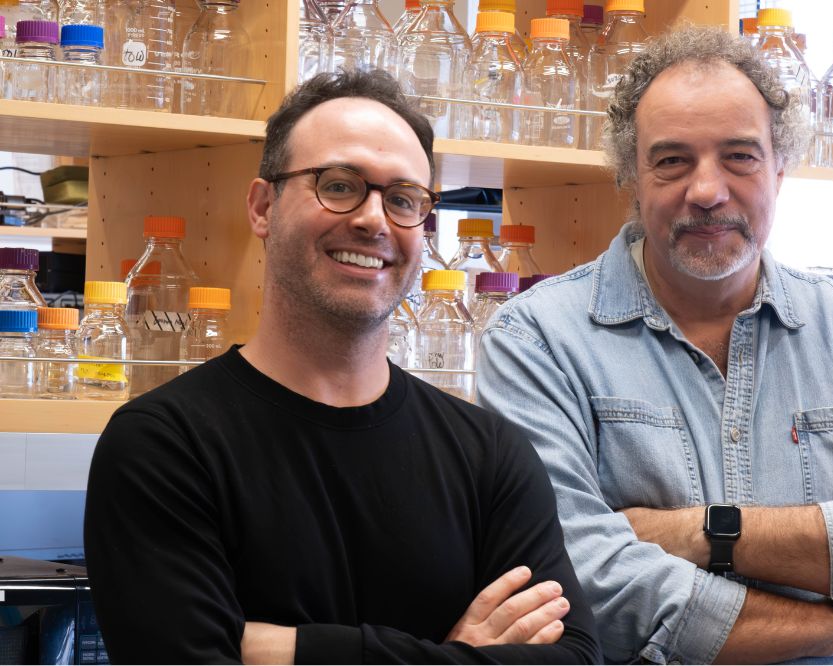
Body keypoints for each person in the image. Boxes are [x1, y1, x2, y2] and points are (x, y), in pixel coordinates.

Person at [476, 25, 833, 665]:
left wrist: (703, 534)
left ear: (780, 166)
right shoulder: (535, 339)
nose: (706, 190)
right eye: (671, 160)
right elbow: (582, 583)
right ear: (630, 178)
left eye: (739, 156)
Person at [84, 70, 601, 665]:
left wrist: (292, 650)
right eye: (338, 185)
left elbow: (576, 659)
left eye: (404, 199)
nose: (374, 220)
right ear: (262, 206)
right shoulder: (164, 446)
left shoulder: (490, 455)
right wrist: (457, 653)